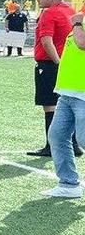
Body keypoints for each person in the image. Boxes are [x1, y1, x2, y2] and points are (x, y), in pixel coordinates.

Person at [28, 0, 84, 158]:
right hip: (70, 67)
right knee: (68, 104)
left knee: (50, 106)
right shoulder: (70, 11)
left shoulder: (49, 13)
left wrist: (57, 63)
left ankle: (51, 146)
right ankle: (73, 144)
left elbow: (46, 41)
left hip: (50, 65)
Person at [41, 11, 85, 198]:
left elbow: (82, 44)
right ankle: (69, 184)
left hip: (83, 94)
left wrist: (76, 24)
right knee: (57, 136)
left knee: (83, 139)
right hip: (67, 92)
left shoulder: (78, 23)